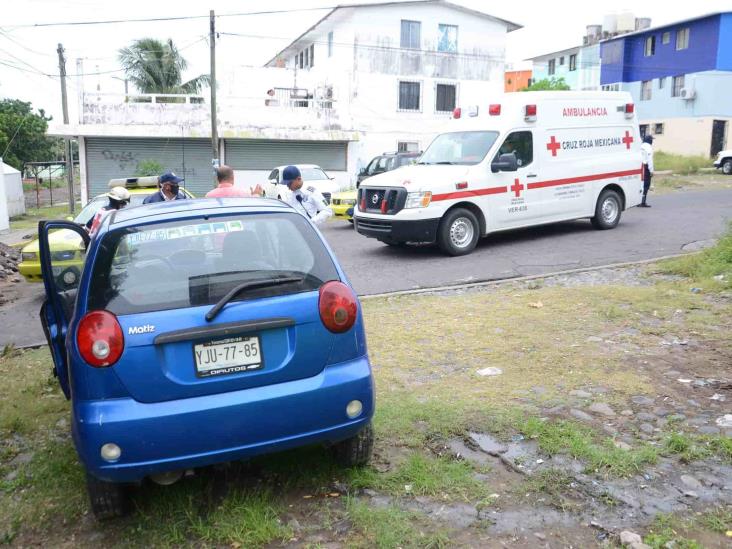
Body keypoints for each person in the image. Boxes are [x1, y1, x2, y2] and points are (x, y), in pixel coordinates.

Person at [640, 134, 654, 208]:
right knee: (646, 184)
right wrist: (651, 170)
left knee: (640, 184)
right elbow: (650, 160)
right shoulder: (649, 148)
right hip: (646, 167)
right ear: (650, 140)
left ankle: (638, 201)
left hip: (639, 167)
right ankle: (643, 202)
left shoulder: (640, 146)